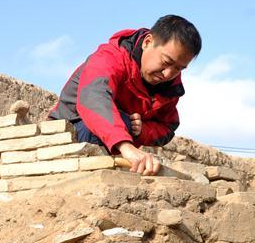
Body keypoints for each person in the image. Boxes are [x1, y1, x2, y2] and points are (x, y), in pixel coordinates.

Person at [48, 15, 201, 176]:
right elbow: (93, 99)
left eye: (178, 68)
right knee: (121, 122)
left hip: (114, 143)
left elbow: (167, 127)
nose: (168, 73)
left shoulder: (170, 87)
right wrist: (125, 146)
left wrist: (142, 130)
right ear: (148, 42)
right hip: (68, 136)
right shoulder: (110, 58)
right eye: (166, 62)